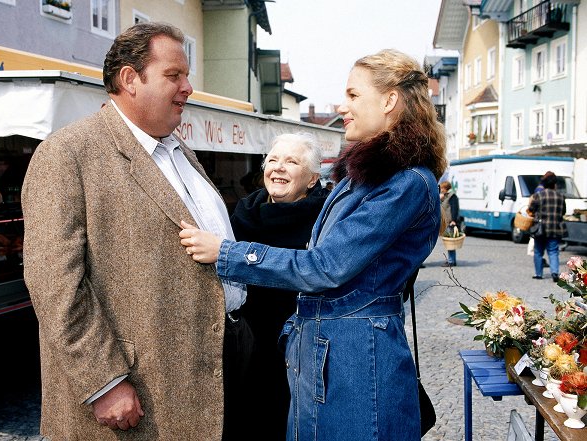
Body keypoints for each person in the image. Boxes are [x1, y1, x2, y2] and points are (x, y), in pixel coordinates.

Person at [180, 49, 447, 440]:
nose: (343, 106)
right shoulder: (363, 179)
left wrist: (225, 252)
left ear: (390, 101)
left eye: (354, 95)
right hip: (324, 354)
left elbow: (322, 266)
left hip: (357, 360)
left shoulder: (406, 182)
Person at [22, 22, 250, 440]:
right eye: (173, 75)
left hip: (209, 371)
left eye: (186, 76)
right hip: (138, 390)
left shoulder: (180, 152)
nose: (188, 88)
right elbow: (54, 284)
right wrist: (104, 382)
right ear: (130, 79)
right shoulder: (67, 153)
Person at [231, 132, 329, 440]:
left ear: (312, 178)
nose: (279, 168)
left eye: (291, 161)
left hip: (305, 345)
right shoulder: (243, 214)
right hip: (252, 343)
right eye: (273, 160)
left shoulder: (325, 219)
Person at [528, 171, 565, 282]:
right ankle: (554, 272)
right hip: (555, 228)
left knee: (538, 251)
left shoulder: (538, 195)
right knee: (553, 251)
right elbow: (563, 211)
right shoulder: (561, 196)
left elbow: (531, 209)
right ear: (554, 184)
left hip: (541, 228)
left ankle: (539, 274)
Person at [439, 181, 460, 266]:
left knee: (450, 242)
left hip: (450, 222)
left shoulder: (452, 196)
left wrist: (453, 220)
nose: (441, 190)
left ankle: (452, 261)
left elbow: (454, 208)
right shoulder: (445, 196)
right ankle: (451, 260)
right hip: (446, 222)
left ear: (445, 188)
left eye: (442, 188)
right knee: (448, 242)